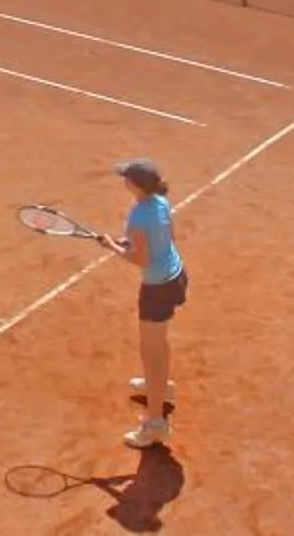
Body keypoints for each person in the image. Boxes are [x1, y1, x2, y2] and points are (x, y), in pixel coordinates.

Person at [111, 156, 187, 450]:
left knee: (150, 351)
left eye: (125, 177)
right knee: (159, 343)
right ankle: (161, 388)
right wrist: (129, 241)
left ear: (134, 185)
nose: (123, 180)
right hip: (176, 276)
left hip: (156, 288)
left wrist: (115, 248)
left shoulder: (138, 217)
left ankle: (155, 423)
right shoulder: (160, 202)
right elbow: (166, 239)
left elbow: (139, 259)